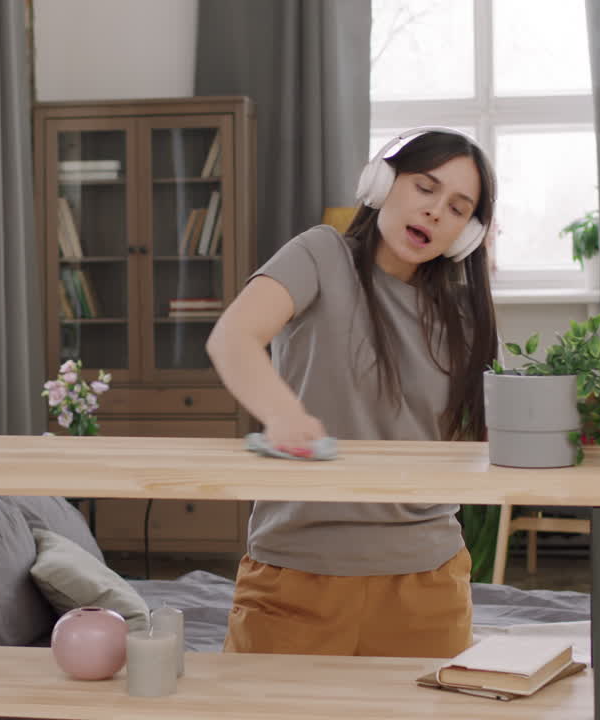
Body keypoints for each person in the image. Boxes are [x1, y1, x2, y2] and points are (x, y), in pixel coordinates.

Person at [205, 127, 499, 658]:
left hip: (427, 580)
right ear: (382, 181)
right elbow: (233, 336)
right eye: (425, 187)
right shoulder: (320, 254)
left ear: (468, 234)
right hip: (295, 569)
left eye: (458, 208)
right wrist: (282, 415)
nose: (435, 212)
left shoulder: (460, 316)